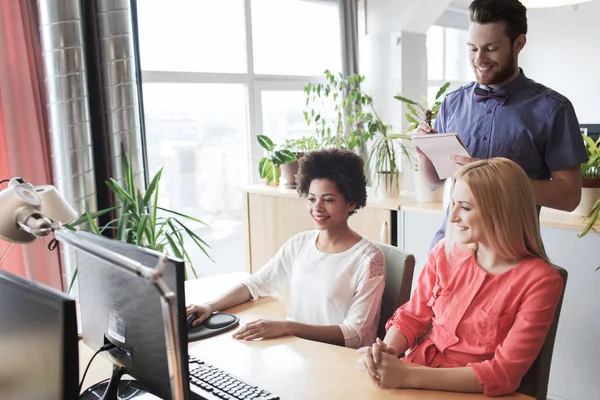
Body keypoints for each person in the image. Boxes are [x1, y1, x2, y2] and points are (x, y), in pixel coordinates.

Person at [357, 157, 564, 397]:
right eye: (453, 203)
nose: (452, 217)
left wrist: (407, 375)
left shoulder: (541, 281)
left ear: (501, 210)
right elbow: (412, 317)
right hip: (415, 377)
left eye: (465, 207)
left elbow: (504, 373)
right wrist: (385, 352)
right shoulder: (444, 252)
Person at [417, 0, 588, 249]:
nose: (479, 59)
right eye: (472, 48)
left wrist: (498, 181)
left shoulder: (553, 110)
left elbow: (569, 197)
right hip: (450, 252)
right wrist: (424, 152)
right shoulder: (452, 103)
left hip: (512, 259)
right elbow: (434, 182)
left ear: (519, 44)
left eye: (490, 48)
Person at [186, 148, 385, 349]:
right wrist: (210, 306)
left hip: (343, 363)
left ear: (351, 203)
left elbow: (355, 334)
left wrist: (289, 327)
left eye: (328, 199)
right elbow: (256, 284)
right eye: (311, 198)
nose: (317, 207)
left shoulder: (369, 259)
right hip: (304, 354)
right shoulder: (300, 244)